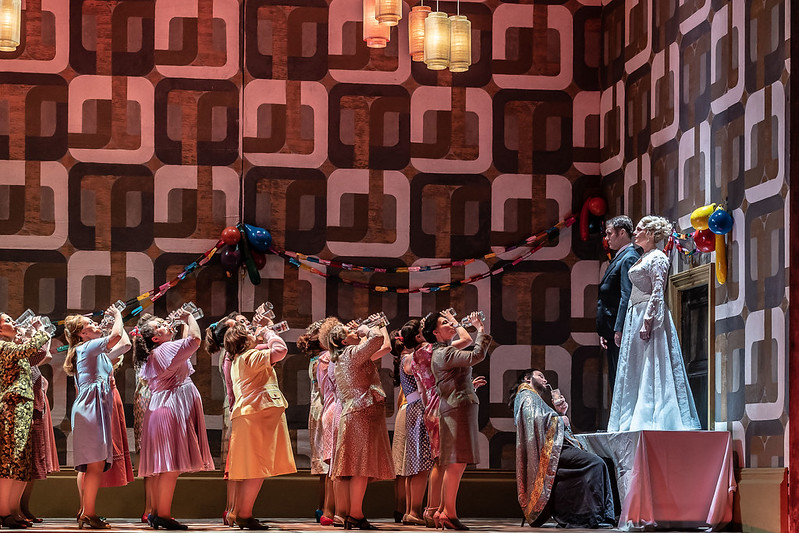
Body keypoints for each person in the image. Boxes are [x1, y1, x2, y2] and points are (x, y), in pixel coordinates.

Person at [608, 215, 701, 431]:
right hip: (635, 313)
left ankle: (655, 417)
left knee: (653, 363)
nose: (635, 233)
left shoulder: (658, 257)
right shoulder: (643, 256)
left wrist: (648, 320)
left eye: (639, 229)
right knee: (635, 366)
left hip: (647, 313)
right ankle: (630, 418)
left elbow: (658, 290)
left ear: (650, 233)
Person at [134, 309, 215, 530]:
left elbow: (186, 343)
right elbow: (195, 340)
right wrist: (189, 318)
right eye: (160, 325)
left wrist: (183, 322)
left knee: (166, 467)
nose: (165, 324)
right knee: (170, 468)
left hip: (160, 410)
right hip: (169, 411)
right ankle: (163, 515)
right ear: (155, 338)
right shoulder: (165, 349)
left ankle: (157, 513)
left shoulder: (157, 353)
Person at [511, 369, 615, 528]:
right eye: (541, 376)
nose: (545, 380)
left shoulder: (535, 398)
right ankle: (589, 516)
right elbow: (535, 421)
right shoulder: (526, 395)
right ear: (527, 378)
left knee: (603, 462)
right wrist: (560, 420)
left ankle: (590, 514)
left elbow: (545, 423)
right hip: (550, 452)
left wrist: (560, 413)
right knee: (596, 463)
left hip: (556, 448)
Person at [400, 313, 471, 528]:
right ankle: (435, 510)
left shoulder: (416, 355)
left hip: (428, 405)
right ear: (423, 335)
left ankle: (434, 510)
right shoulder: (431, 351)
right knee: (444, 461)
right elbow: (467, 341)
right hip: (440, 404)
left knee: (437, 461)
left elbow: (422, 388)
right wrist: (457, 324)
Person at [422, 311, 490, 531]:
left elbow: (456, 375)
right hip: (456, 408)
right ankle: (448, 513)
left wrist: (470, 385)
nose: (450, 325)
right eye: (445, 324)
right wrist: (480, 329)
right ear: (435, 332)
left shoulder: (445, 351)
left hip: (457, 406)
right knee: (456, 461)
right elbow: (476, 355)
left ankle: (444, 510)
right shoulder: (443, 352)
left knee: (454, 461)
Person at [224, 322, 296, 530]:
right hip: (256, 414)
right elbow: (281, 350)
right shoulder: (250, 356)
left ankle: (239, 511)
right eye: (248, 332)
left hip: (248, 414)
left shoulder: (240, 358)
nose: (252, 332)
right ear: (243, 340)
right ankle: (244, 515)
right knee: (257, 468)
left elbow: (268, 349)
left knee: (251, 468)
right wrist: (268, 332)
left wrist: (263, 337)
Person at [64, 306, 130, 529]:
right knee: (94, 464)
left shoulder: (95, 351)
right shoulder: (88, 347)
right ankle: (88, 513)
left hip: (95, 406)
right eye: (90, 324)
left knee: (93, 464)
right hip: (91, 407)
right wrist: (119, 316)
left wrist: (114, 323)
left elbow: (124, 344)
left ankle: (85, 510)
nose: (96, 324)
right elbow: (117, 336)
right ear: (82, 333)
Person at [326, 318, 394, 530]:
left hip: (357, 414)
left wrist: (377, 324)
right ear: (343, 341)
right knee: (360, 468)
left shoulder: (347, 356)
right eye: (350, 331)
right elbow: (376, 339)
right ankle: (355, 514)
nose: (355, 331)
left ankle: (354, 514)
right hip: (360, 413)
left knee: (359, 468)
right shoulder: (352, 354)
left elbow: (384, 345)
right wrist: (367, 328)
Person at [0, 313, 51, 529]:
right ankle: (3, 512)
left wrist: (30, 334)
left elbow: (38, 354)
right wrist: (39, 330)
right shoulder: (3, 346)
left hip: (23, 407)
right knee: (10, 460)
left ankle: (12, 511)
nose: (14, 324)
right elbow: (26, 350)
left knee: (20, 461)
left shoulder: (13, 347)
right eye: (8, 321)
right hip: (12, 406)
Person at [597, 215, 640, 393]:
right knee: (614, 379)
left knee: (621, 382)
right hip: (611, 330)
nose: (606, 239)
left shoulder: (629, 257)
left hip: (619, 331)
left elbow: (626, 294)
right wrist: (604, 331)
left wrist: (619, 328)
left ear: (622, 233)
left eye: (609, 234)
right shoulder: (619, 257)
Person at [295, 321, 329, 523]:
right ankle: (326, 508)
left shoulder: (317, 359)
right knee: (328, 464)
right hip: (323, 408)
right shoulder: (322, 360)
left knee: (326, 465)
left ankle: (324, 507)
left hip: (318, 408)